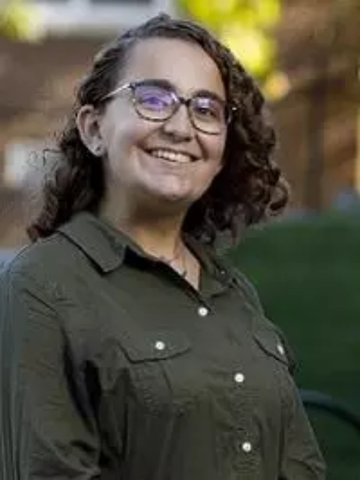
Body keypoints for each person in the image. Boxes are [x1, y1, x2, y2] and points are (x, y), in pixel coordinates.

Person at [0, 13, 326, 480]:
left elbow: (301, 465)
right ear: (94, 129)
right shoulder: (41, 288)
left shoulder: (233, 293)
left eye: (206, 109)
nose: (180, 125)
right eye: (153, 98)